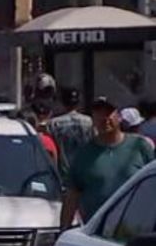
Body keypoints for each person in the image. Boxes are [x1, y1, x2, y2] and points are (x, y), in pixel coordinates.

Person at [61, 97, 155, 228]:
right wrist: (63, 230)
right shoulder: (83, 154)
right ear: (92, 119)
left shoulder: (140, 146)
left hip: (137, 230)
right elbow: (72, 196)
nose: (104, 118)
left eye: (109, 112)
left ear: (119, 117)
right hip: (97, 233)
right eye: (98, 113)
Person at [47, 87, 94, 176]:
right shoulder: (89, 121)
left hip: (62, 172)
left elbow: (50, 148)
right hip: (84, 169)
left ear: (63, 102)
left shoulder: (53, 123)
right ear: (78, 103)